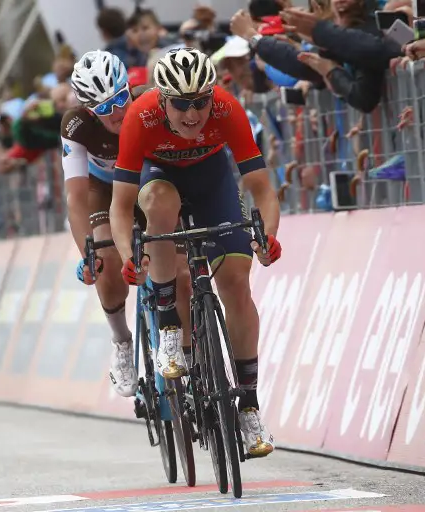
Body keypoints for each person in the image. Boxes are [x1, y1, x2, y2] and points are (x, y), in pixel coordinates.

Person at [110, 48, 282, 458]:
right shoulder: (141, 115)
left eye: (200, 102)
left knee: (237, 287)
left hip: (212, 182)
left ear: (212, 95)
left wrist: (267, 236)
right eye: (181, 105)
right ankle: (169, 325)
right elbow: (120, 206)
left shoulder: (226, 108)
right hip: (160, 180)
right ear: (162, 99)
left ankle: (250, 406)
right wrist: (127, 256)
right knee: (160, 204)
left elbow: (261, 187)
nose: (192, 115)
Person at [60, 49, 191, 398]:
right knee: (107, 261)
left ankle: (189, 354)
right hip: (103, 188)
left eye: (119, 99)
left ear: (128, 88)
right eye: (103, 109)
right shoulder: (75, 126)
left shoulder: (151, 101)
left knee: (181, 271)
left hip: (149, 181)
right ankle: (121, 342)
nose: (116, 112)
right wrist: (87, 253)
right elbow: (75, 197)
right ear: (89, 110)